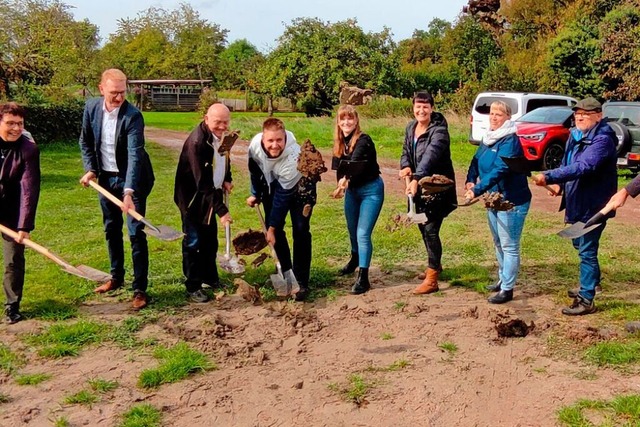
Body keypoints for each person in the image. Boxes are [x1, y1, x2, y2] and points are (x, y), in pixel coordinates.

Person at [532, 97, 617, 315]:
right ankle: (593, 282)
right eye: (577, 113)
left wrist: (549, 176)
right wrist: (559, 184)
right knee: (578, 243)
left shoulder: (603, 140)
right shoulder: (575, 135)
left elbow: (584, 166)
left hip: (595, 205)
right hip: (576, 200)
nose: (579, 116)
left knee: (586, 250)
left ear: (599, 116)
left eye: (586, 114)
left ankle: (586, 298)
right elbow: (567, 164)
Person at [79, 68, 155, 310]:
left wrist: (129, 192)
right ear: (101, 89)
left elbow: (135, 155)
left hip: (133, 180)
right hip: (106, 179)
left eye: (123, 92)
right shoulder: (91, 108)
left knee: (135, 232)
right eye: (114, 93)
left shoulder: (133, 116)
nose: (119, 98)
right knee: (111, 228)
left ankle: (140, 289)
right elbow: (85, 140)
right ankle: (116, 277)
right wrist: (91, 168)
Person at [465, 101, 532, 304]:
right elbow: (476, 161)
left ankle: (507, 289)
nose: (494, 117)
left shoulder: (510, 141)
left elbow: (500, 170)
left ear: (508, 118)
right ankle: (503, 279)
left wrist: (477, 190)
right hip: (493, 199)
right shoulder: (488, 138)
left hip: (511, 201)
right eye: (492, 113)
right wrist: (470, 179)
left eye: (499, 114)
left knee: (509, 245)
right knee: (497, 242)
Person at [246, 118, 314, 301]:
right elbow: (255, 170)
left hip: (301, 188)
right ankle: (286, 272)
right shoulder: (254, 146)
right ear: (263, 138)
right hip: (275, 183)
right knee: (275, 230)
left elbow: (282, 200)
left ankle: (301, 281)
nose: (275, 145)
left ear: (285, 138)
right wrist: (256, 193)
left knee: (300, 230)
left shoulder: (292, 158)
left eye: (279, 140)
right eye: (270, 141)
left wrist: (272, 228)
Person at [399, 91, 457, 295]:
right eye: (418, 106)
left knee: (431, 228)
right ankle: (436, 265)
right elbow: (406, 150)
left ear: (432, 108)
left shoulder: (439, 131)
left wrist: (416, 178)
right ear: (413, 108)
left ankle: (432, 278)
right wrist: (406, 166)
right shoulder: (410, 127)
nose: (421, 110)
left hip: (436, 188)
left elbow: (430, 157)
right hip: (418, 188)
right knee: (422, 226)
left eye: (425, 106)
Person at [174, 103, 233, 303]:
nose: (222, 127)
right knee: (193, 242)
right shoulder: (197, 143)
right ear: (206, 119)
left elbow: (225, 156)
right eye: (218, 122)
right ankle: (193, 286)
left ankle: (210, 278)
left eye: (226, 122)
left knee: (210, 241)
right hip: (193, 200)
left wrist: (227, 177)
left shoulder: (222, 136)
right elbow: (202, 183)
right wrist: (222, 211)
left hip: (209, 196)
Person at [331, 105, 384, 294]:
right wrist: (340, 184)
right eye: (343, 119)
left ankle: (363, 277)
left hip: (371, 191)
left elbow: (355, 165)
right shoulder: (339, 142)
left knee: (362, 233)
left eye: (350, 118)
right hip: (352, 192)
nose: (346, 122)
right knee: (352, 230)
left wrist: (344, 181)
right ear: (338, 122)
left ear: (356, 120)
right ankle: (355, 259)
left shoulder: (363, 140)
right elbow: (339, 168)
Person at [0, 103, 40, 324]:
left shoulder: (28, 150)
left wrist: (24, 225)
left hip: (13, 211)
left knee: (13, 259)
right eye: (10, 123)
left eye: (20, 123)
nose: (16, 128)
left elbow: (29, 188)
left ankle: (12, 305)